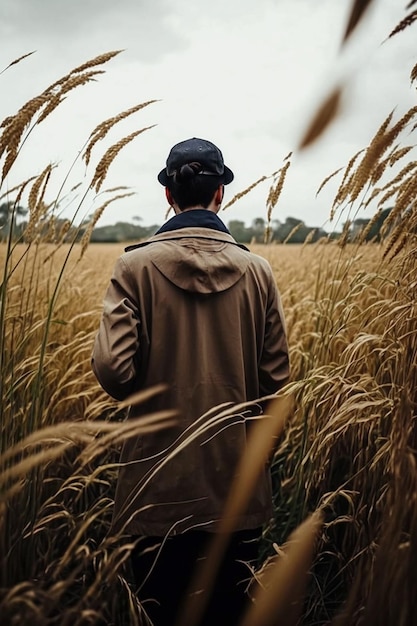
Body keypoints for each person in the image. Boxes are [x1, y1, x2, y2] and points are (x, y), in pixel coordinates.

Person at [91, 137, 290, 626]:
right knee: (227, 611)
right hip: (236, 489)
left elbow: (114, 371)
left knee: (159, 609)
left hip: (154, 491)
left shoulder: (133, 267)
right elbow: (277, 387)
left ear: (168, 196)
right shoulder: (258, 271)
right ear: (220, 193)